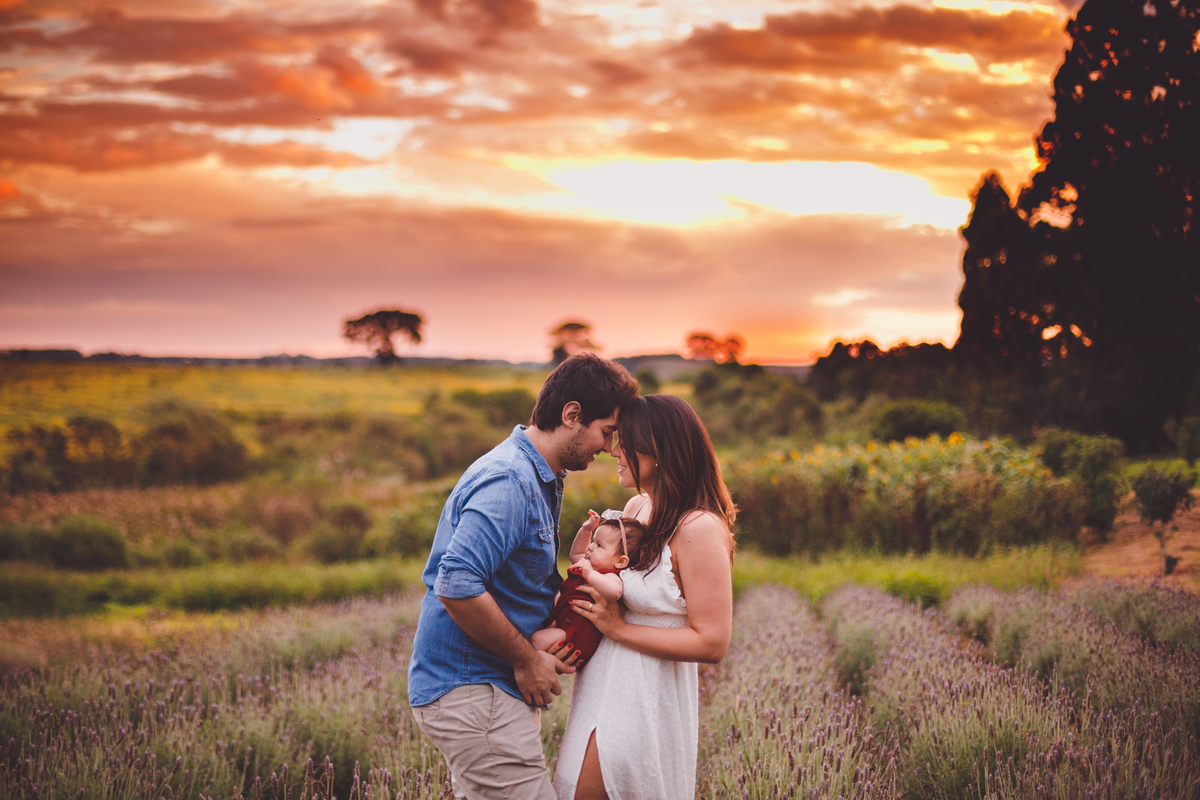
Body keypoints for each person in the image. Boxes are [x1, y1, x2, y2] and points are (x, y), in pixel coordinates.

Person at [407, 353, 639, 800]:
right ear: (571, 415)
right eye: (606, 431)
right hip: (475, 686)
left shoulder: (536, 475)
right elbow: (456, 584)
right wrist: (527, 660)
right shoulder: (510, 480)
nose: (610, 447)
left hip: (484, 689)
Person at [553, 394, 737, 800]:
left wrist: (618, 629)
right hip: (598, 685)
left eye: (627, 442)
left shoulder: (699, 527)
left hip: (644, 698)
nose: (614, 450)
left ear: (660, 451)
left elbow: (712, 642)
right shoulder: (637, 507)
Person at [531, 514, 647, 666]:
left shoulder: (610, 576)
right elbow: (576, 554)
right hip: (563, 621)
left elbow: (615, 593)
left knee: (536, 640)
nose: (591, 547)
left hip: (574, 635)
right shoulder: (589, 565)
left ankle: (537, 666)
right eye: (593, 540)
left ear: (620, 561)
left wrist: (591, 574)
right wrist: (585, 531)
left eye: (599, 545)